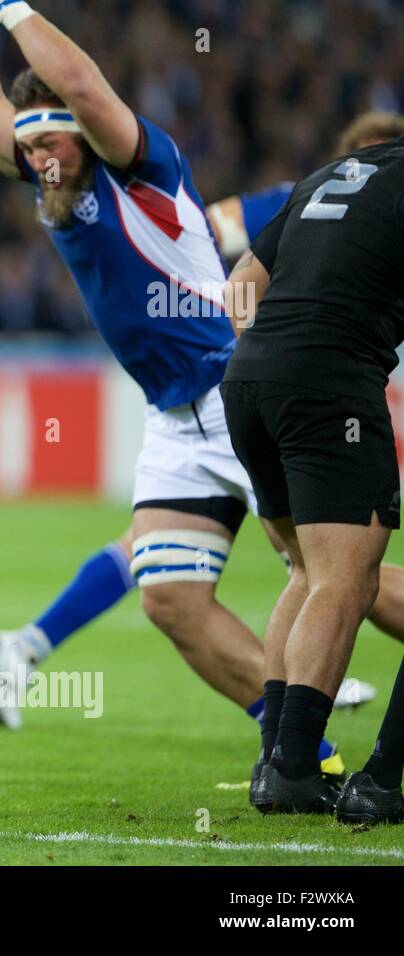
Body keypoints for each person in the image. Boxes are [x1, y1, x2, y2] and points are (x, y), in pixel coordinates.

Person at [0, 0, 343, 773]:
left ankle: (306, 719)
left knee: (329, 575)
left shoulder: (141, 164)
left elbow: (85, 86)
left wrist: (14, 9)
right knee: (169, 597)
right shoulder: (49, 170)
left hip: (237, 394)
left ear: (88, 133)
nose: (42, 160)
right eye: (30, 148)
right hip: (174, 421)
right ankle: (305, 756)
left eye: (53, 140)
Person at [0, 112, 404, 730]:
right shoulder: (303, 202)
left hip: (240, 386)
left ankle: (28, 644)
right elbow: (198, 232)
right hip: (242, 386)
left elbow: (207, 234)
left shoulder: (299, 199)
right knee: (314, 566)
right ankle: (298, 713)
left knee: (295, 563)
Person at [221, 134, 404, 815]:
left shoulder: (330, 174)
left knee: (305, 571)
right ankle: (295, 764)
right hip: (331, 384)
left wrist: (275, 355)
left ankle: (275, 761)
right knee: (343, 579)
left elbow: (242, 283)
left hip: (248, 380)